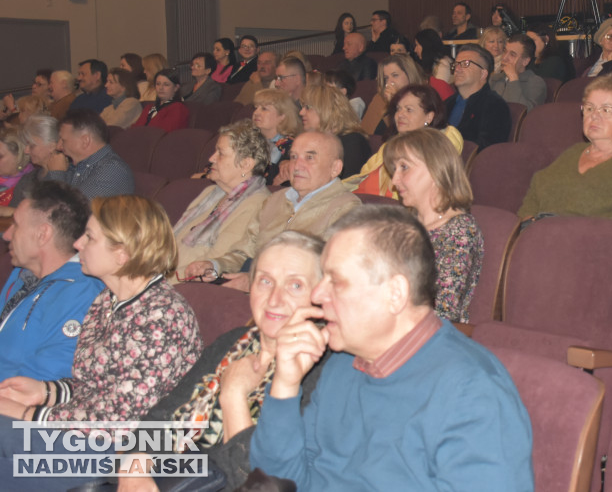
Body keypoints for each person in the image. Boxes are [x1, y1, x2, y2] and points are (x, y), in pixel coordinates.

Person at [249, 205, 533, 490]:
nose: (317, 294)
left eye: (336, 281)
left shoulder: (473, 392)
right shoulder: (341, 364)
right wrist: (285, 386)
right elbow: (278, 483)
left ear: (395, 294)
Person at [0, 195, 202, 492]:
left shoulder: (161, 316)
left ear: (122, 253)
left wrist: (29, 415)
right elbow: (97, 385)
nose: (77, 243)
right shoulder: (106, 300)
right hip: (90, 435)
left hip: (132, 451)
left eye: (90, 237)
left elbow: (120, 420)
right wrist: (46, 391)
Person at [118, 231, 327, 491]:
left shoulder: (325, 370)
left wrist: (233, 395)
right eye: (265, 281)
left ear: (321, 296)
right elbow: (161, 416)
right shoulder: (233, 342)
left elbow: (261, 482)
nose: (275, 299)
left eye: (295, 285)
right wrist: (134, 472)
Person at [183, 131, 360, 289]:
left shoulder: (346, 209)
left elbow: (324, 272)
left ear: (335, 168)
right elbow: (243, 252)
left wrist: (258, 281)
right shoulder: (275, 200)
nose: (297, 166)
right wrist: (214, 266)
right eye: (293, 157)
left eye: (309, 158)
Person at [519, 76, 612, 227]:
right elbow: (536, 191)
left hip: (592, 240)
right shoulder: (573, 152)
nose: (594, 115)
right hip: (539, 235)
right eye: (589, 108)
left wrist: (565, 230)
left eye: (606, 110)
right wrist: (529, 223)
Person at [0, 181, 103, 381]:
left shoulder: (81, 294)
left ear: (43, 234)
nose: (6, 235)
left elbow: (44, 380)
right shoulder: (23, 273)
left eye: (16, 225)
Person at [384, 128, 483, 323]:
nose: (394, 180)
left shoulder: (460, 231)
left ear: (435, 170)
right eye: (394, 169)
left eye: (404, 167)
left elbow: (441, 311)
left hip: (423, 335)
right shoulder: (400, 224)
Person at [174, 120, 271, 281]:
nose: (211, 158)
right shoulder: (210, 193)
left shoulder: (257, 204)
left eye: (220, 153)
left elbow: (214, 261)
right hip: (161, 272)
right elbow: (171, 240)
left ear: (246, 164)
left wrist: (155, 282)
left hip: (183, 284)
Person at [348, 84, 463, 198]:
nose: (400, 115)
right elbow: (363, 175)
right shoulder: (391, 144)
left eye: (409, 110)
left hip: (385, 205)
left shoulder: (444, 139)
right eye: (398, 109)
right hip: (357, 197)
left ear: (429, 117)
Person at [49, 109, 134, 199]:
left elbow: (71, 206)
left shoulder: (113, 169)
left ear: (85, 141)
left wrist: (57, 173)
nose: (58, 146)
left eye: (63, 140)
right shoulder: (77, 165)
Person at [446, 43, 511, 150]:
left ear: (483, 74)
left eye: (465, 63)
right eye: (456, 64)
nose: (457, 69)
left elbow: (488, 149)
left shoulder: (494, 106)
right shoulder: (447, 104)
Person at [299, 84, 371, 179]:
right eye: (302, 107)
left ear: (327, 109)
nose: (301, 112)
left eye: (307, 107)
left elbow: (347, 183)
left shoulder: (353, 141)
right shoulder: (312, 140)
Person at [1, 115, 60, 213]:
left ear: (52, 146)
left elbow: (53, 214)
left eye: (32, 146)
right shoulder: (28, 179)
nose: (26, 151)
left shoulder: (69, 177)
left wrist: (8, 211)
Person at [362, 54, 428, 135]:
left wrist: (393, 104)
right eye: (386, 78)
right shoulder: (379, 98)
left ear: (409, 75)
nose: (389, 82)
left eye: (395, 75)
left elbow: (407, 134)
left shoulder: (423, 98)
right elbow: (364, 131)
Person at [252, 87, 300, 184]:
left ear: (282, 116)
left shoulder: (292, 147)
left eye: (264, 109)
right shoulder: (248, 141)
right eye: (256, 108)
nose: (256, 113)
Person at [489, 33, 547, 110]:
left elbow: (525, 112)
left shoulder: (535, 82)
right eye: (505, 51)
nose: (504, 58)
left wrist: (513, 79)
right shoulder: (494, 79)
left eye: (512, 55)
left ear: (525, 61)